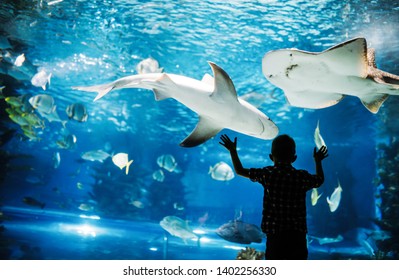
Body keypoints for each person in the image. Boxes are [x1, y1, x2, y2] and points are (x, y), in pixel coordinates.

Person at [219, 133, 328, 260]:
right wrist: (318, 161)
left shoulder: (268, 174)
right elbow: (319, 180)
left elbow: (240, 170)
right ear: (294, 158)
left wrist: (233, 151)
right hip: (297, 237)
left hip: (275, 237)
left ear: (271, 157)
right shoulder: (301, 176)